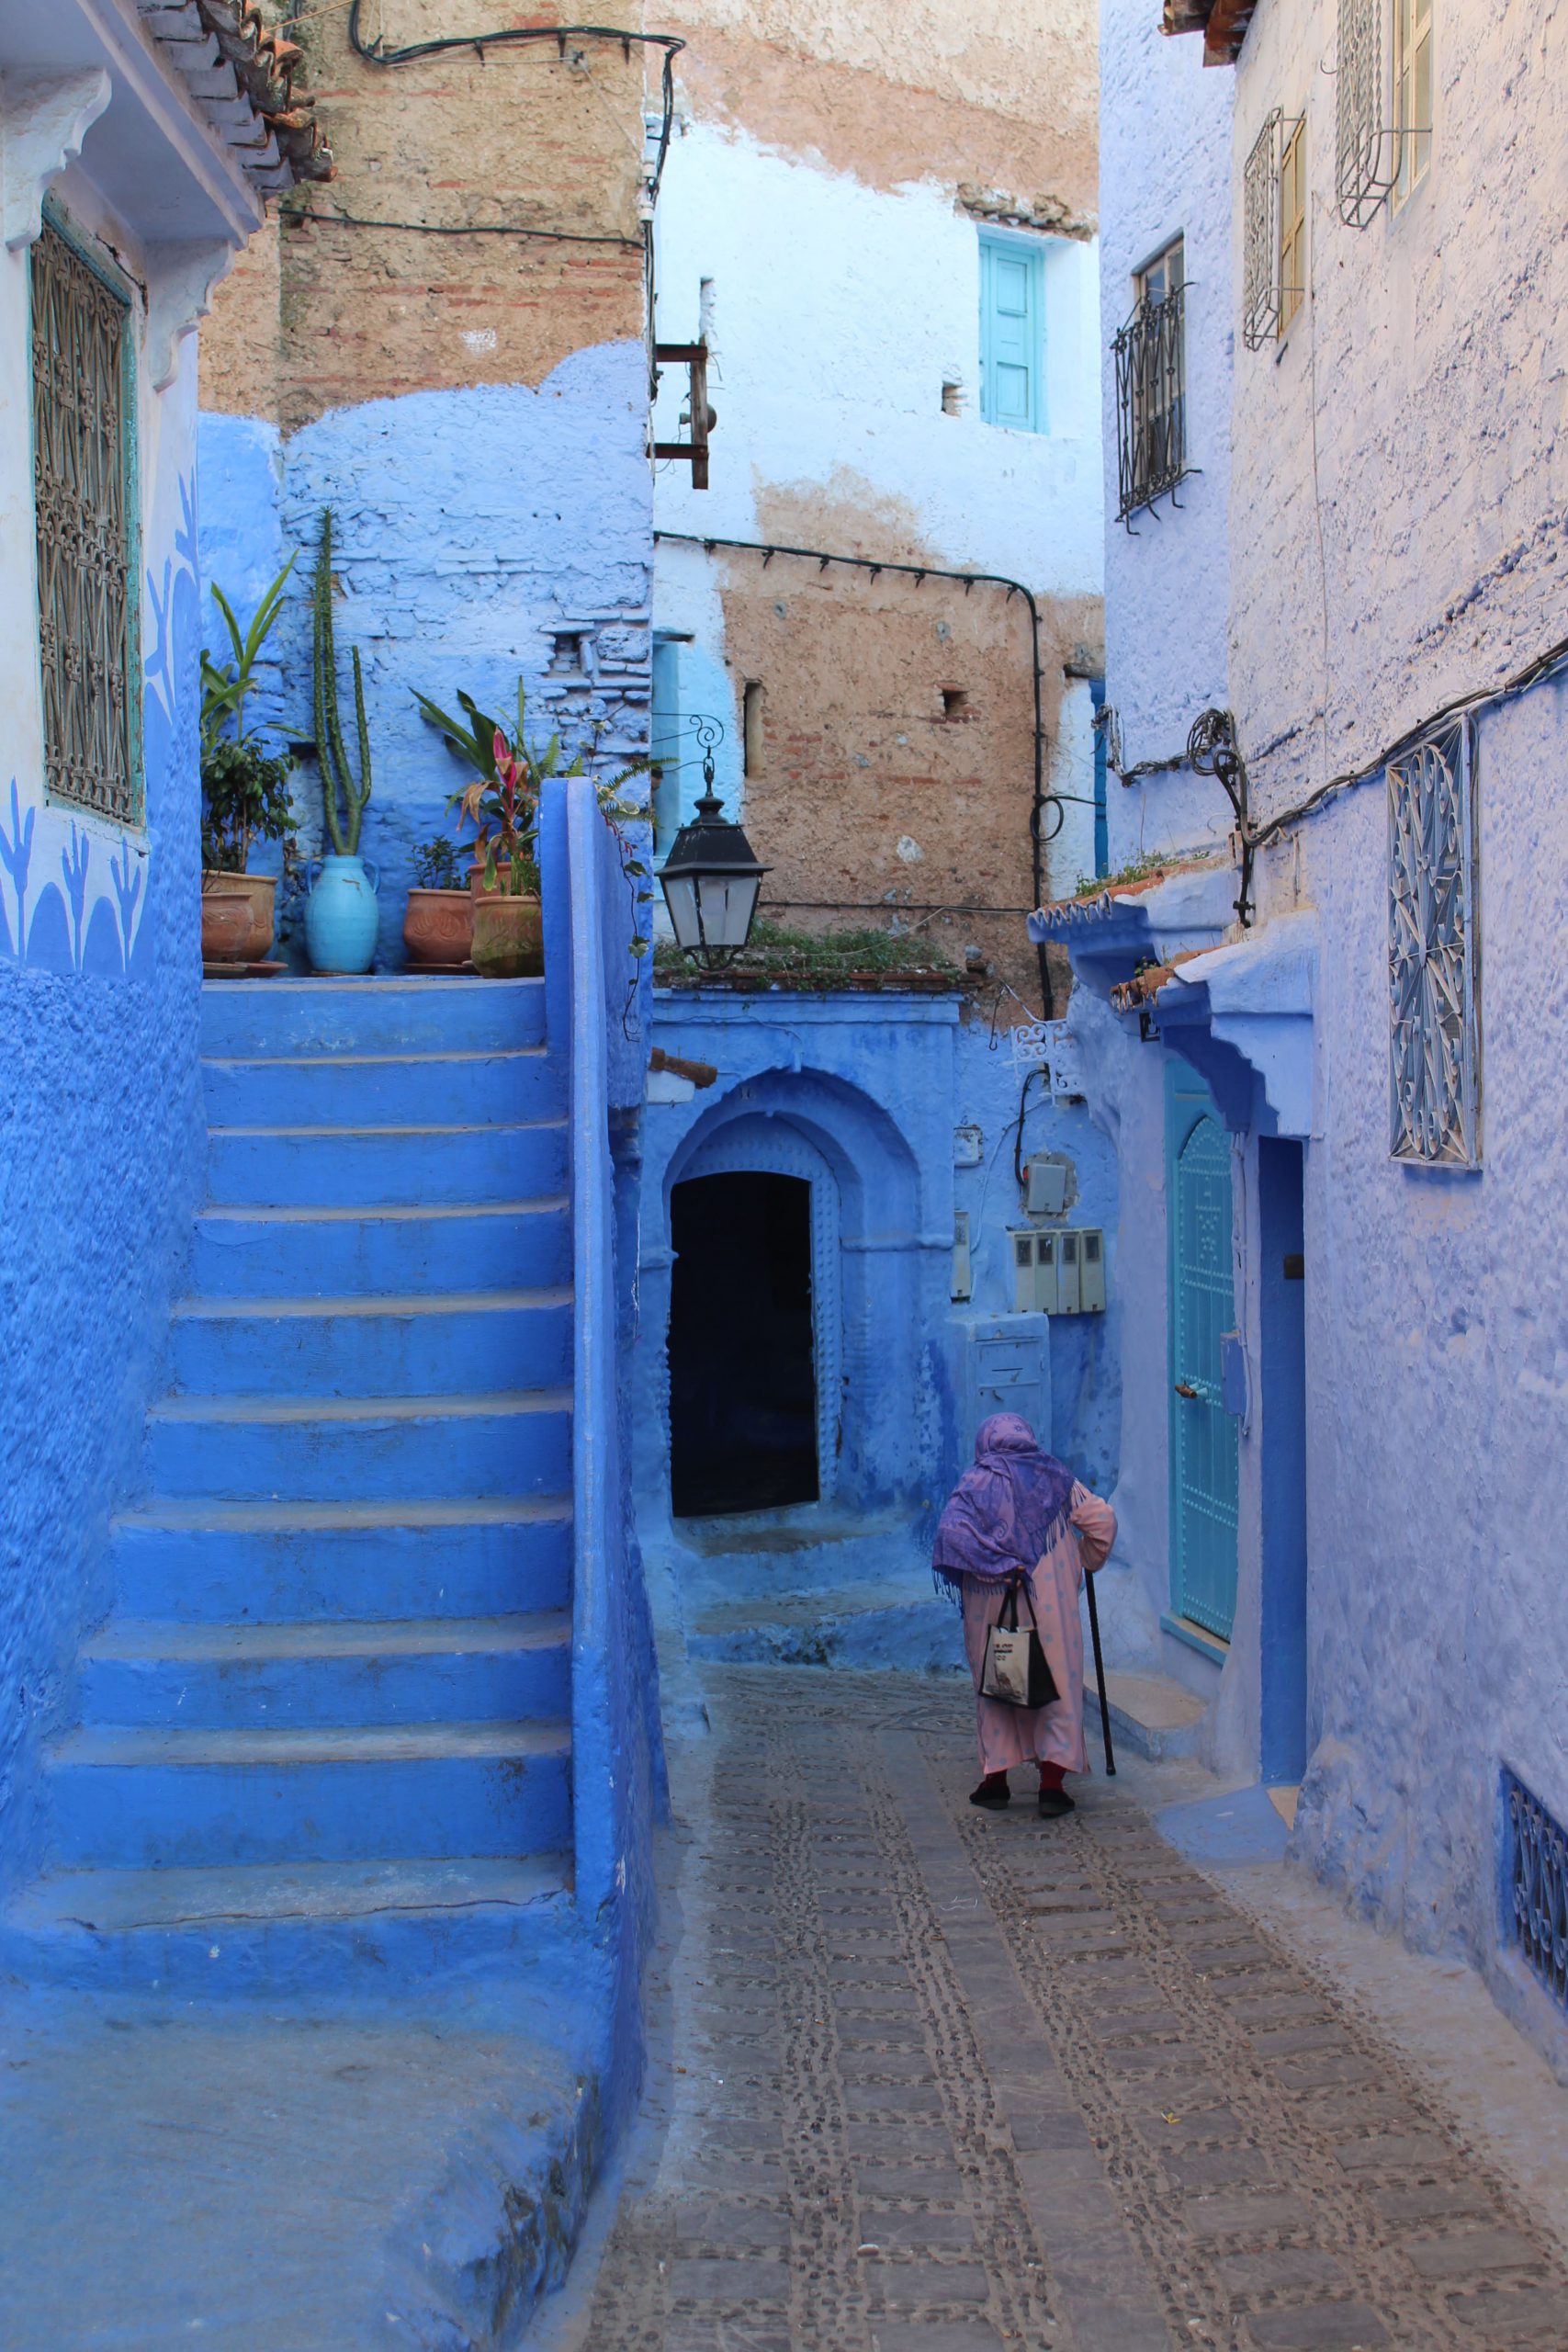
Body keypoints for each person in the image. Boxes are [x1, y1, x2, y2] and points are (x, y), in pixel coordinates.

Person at [933, 1412, 1117, 1818]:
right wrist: (1084, 1559)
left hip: (991, 1603)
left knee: (999, 1685)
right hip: (1048, 1603)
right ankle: (1052, 1785)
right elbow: (1101, 1522)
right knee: (1056, 1683)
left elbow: (950, 1539)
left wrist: (992, 1561)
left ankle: (995, 1781)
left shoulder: (973, 1484)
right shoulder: (1055, 1478)